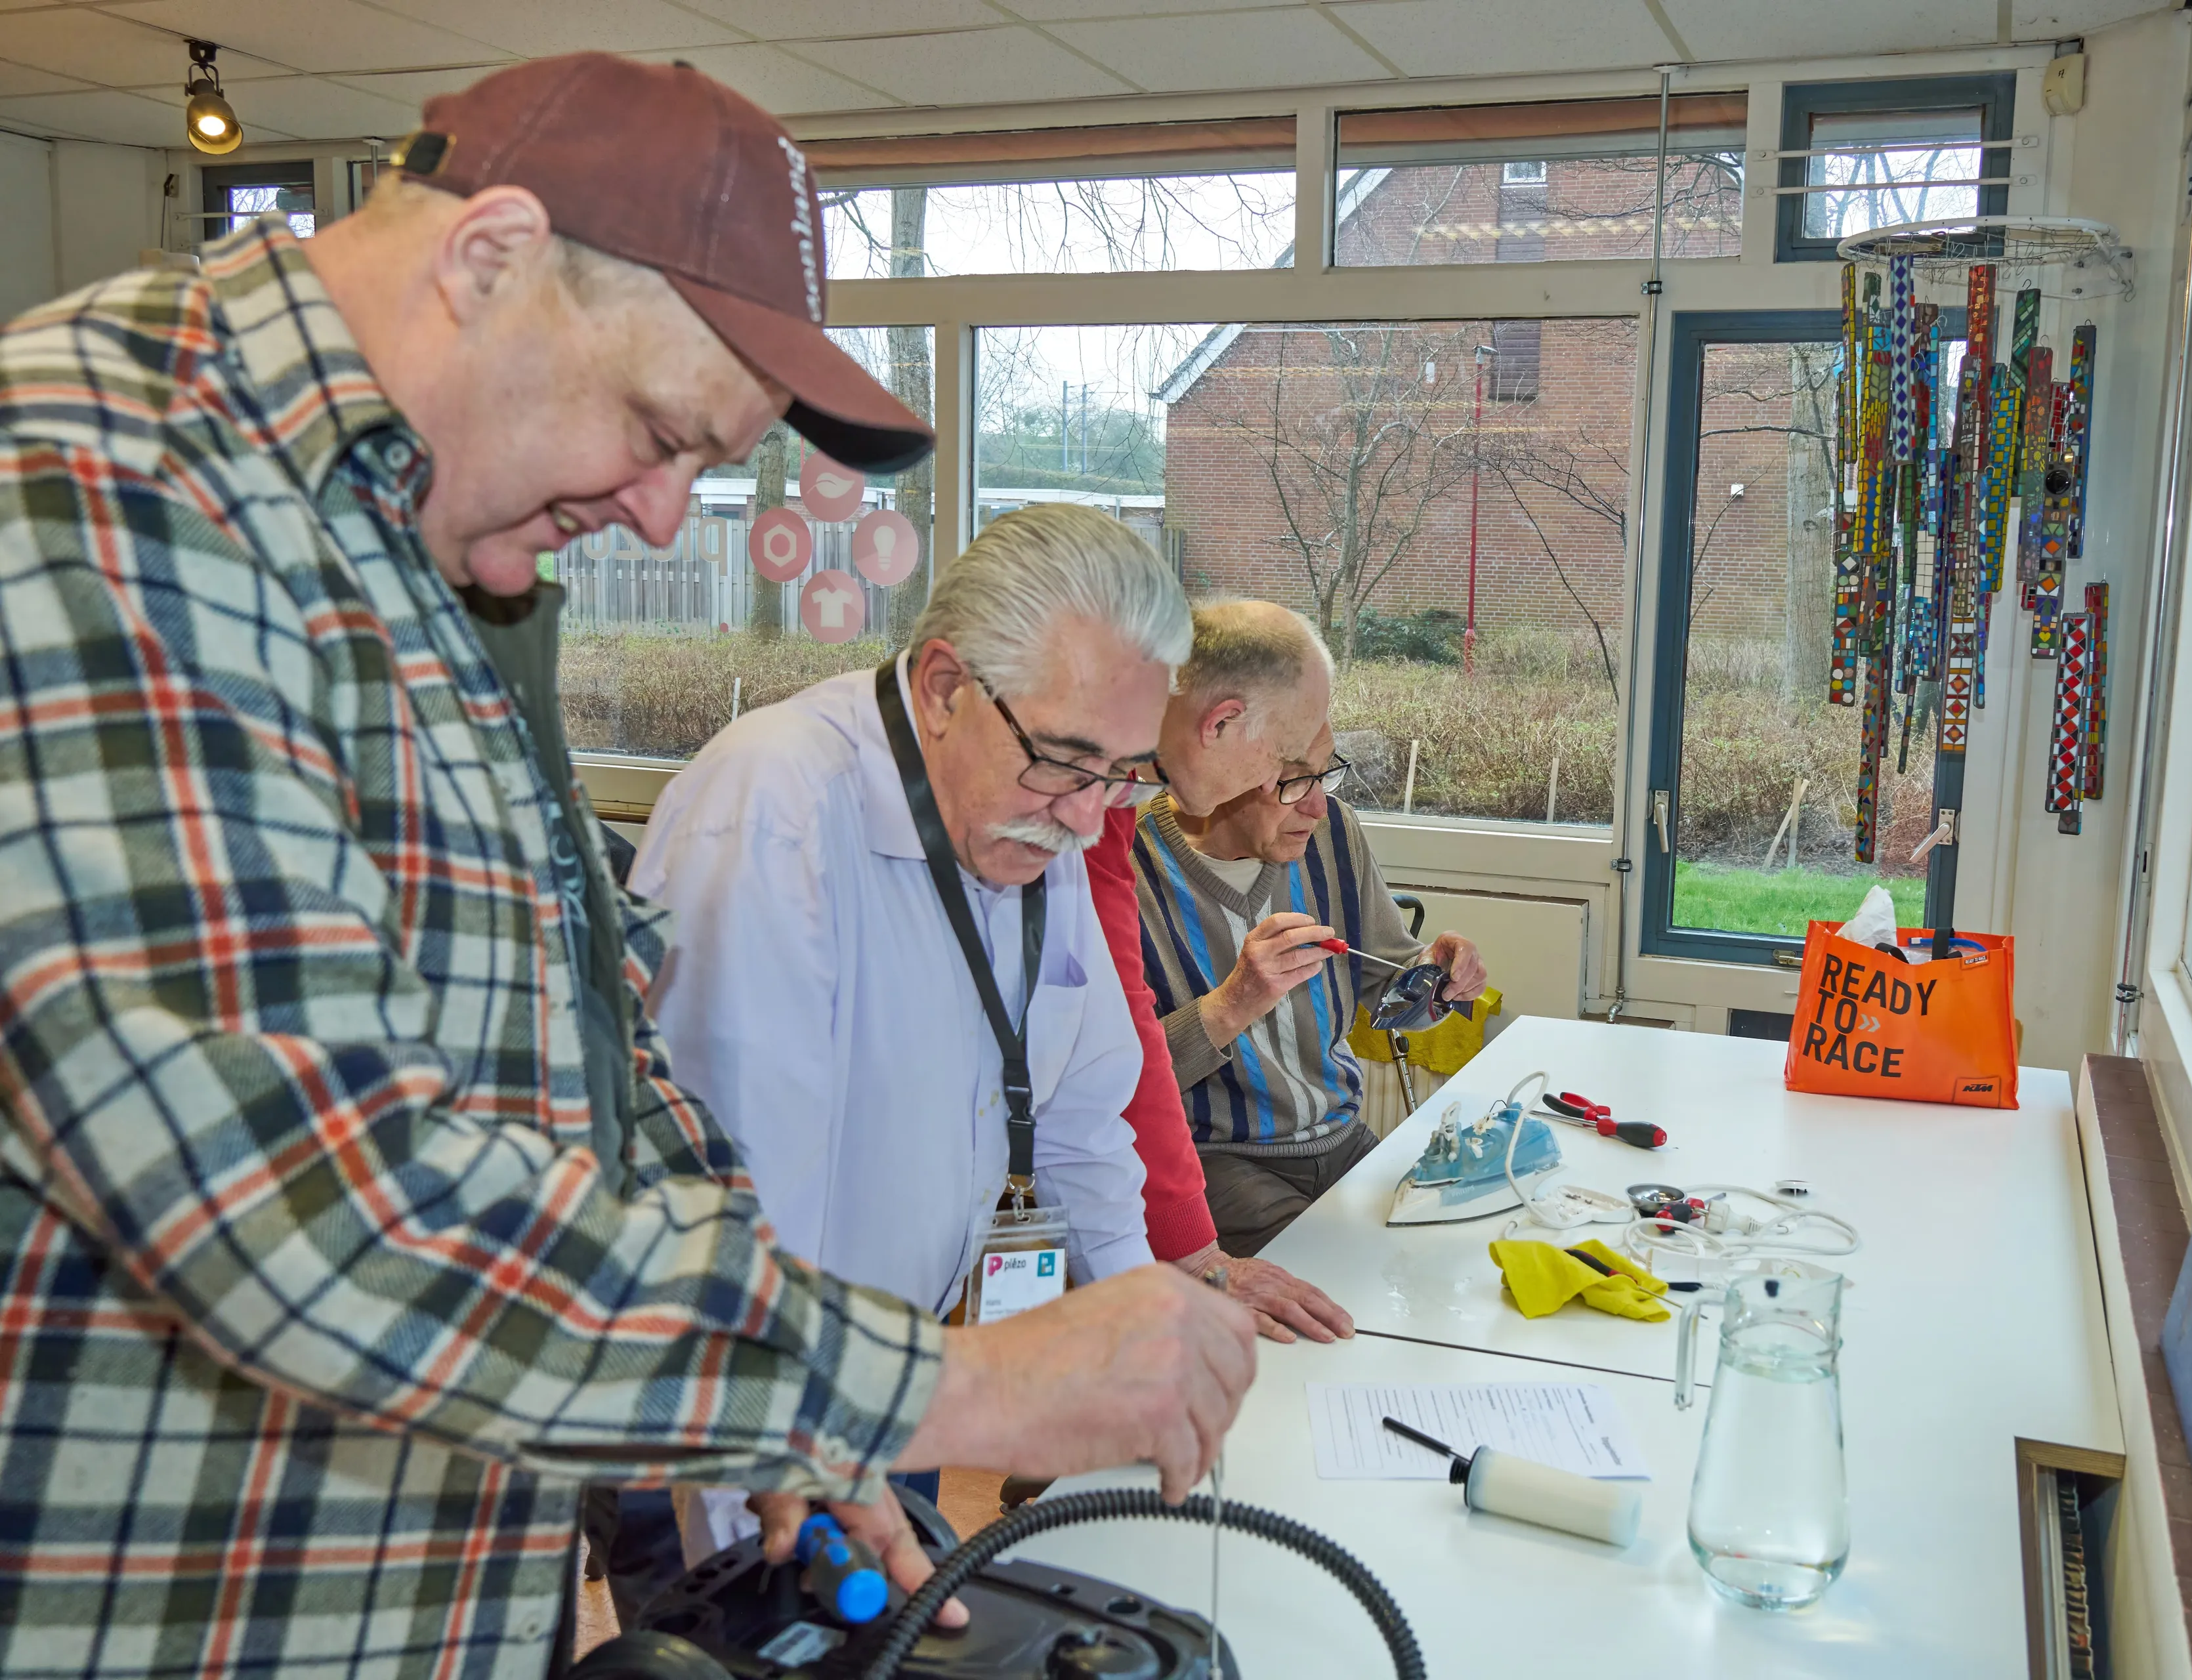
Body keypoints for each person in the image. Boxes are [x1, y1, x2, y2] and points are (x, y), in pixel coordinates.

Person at [0, 54, 1250, 1679]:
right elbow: (302, 1209)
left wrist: (786, 1401)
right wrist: (936, 1383)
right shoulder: (97, 485)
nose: (665, 520)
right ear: (490, 258)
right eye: (659, 431)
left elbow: (588, 1062)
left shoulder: (430, 550)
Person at [630, 503, 1189, 1551]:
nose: (1089, 818)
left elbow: (1081, 1119)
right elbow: (732, 1223)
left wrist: (1150, 1351)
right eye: (1068, 762)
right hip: (747, 1427)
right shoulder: (775, 812)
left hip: (895, 1379)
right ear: (943, 688)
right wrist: (762, 1539)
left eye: (1122, 775)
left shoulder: (1033, 819)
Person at [1085, 602, 1358, 1341]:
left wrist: (1196, 1257)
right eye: (1286, 765)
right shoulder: (1099, 808)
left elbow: (1112, 1043)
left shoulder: (1108, 796)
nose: (1305, 798)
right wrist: (1198, 1257)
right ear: (1222, 723)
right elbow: (1113, 1055)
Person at [1134, 725, 1490, 1255]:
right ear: (1219, 772)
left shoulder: (1332, 833)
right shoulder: (1124, 867)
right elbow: (1112, 1083)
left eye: (1325, 774)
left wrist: (1436, 980)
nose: (1319, 807)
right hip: (1216, 1159)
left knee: (1443, 1253)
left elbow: (1388, 981)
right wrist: (1233, 1003)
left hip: (1341, 1135)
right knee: (1334, 1281)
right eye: (1295, 781)